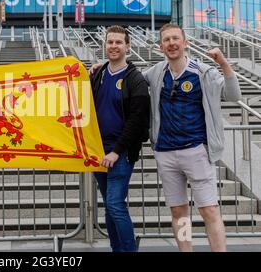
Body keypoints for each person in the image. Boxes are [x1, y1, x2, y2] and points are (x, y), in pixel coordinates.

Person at [90, 23, 242, 252]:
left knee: (209, 210)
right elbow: (127, 77)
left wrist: (222, 63)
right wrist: (101, 66)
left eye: (175, 39)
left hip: (197, 152)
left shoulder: (203, 72)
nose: (171, 43)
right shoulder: (156, 72)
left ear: (185, 42)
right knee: (179, 212)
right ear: (161, 46)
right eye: (166, 40)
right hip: (166, 152)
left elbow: (232, 95)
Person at [90, 25, 150, 252]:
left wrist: (116, 151)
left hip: (120, 153)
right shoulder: (98, 74)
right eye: (110, 42)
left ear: (128, 46)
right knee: (109, 206)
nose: (113, 46)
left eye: (118, 42)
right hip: (98, 151)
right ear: (105, 45)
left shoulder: (135, 80)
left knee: (115, 205)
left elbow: (137, 120)